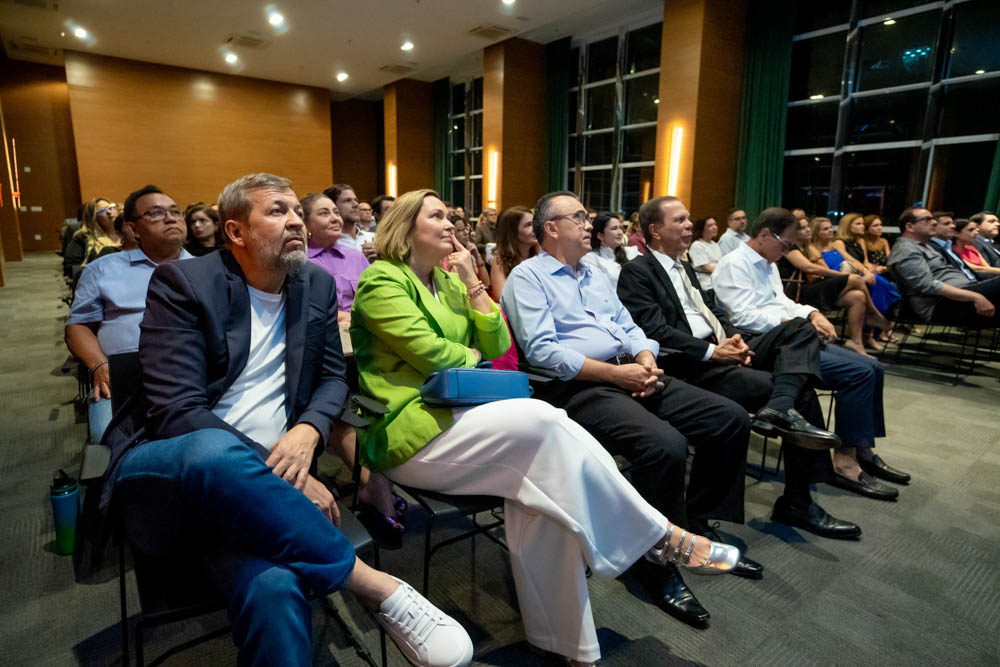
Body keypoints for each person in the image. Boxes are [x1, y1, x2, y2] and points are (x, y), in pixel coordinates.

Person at [351, 188, 739, 665]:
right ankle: (658, 534)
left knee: (546, 499)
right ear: (406, 227)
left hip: (465, 415)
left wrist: (473, 284)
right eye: (436, 216)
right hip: (411, 432)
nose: (451, 223)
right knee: (546, 419)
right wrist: (472, 354)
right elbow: (434, 356)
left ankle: (574, 649)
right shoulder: (381, 280)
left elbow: (497, 343)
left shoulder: (451, 282)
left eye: (449, 216)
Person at [99, 174, 474, 667]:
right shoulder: (185, 283)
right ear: (235, 232)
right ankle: (375, 586)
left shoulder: (313, 284)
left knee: (274, 589)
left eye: (297, 210)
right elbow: (177, 411)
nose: (296, 220)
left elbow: (333, 379)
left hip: (265, 490)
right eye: (277, 211)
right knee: (213, 449)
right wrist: (282, 477)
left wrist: (309, 429)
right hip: (180, 472)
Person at [501, 190, 755, 629]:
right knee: (666, 447)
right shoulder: (528, 277)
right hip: (580, 386)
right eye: (579, 217)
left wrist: (646, 358)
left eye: (588, 217)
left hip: (633, 370)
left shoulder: (596, 273)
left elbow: (629, 325)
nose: (589, 224)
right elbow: (543, 352)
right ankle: (656, 561)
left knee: (728, 419)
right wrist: (617, 375)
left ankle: (692, 522)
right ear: (551, 228)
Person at [617, 196, 858, 538]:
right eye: (680, 220)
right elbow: (654, 330)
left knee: (801, 328)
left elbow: (710, 311)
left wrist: (732, 339)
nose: (689, 225)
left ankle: (783, 423)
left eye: (689, 218)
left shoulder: (683, 267)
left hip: (717, 353)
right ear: (655, 231)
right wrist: (713, 351)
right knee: (799, 392)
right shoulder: (638, 271)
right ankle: (795, 497)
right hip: (687, 365)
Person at [713, 208, 910, 500]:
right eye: (786, 244)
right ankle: (845, 462)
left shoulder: (767, 263)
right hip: (763, 344)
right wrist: (798, 325)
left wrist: (813, 314)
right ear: (765, 234)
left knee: (873, 368)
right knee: (858, 374)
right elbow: (743, 317)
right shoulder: (734, 263)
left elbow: (783, 303)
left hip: (792, 337)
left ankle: (861, 448)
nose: (787, 251)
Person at [65, 185, 193, 447]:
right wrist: (99, 365)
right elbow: (78, 326)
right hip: (126, 379)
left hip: (193, 375)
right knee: (109, 437)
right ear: (133, 229)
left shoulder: (211, 269)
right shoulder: (103, 269)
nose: (171, 219)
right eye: (156, 213)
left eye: (175, 212)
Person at [783, 217, 891, 355]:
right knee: (856, 279)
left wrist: (856, 271)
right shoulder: (789, 247)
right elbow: (809, 268)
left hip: (816, 286)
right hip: (799, 292)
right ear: (793, 231)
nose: (808, 230)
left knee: (857, 296)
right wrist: (840, 275)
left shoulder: (808, 246)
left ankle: (856, 342)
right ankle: (873, 313)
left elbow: (823, 267)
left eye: (807, 226)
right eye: (802, 228)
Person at [888, 207, 1000, 326]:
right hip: (940, 304)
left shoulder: (923, 246)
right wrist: (976, 296)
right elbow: (926, 285)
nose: (934, 222)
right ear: (910, 226)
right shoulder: (906, 249)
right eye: (927, 219)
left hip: (963, 292)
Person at [302, 193, 368, 326]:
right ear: (305, 223)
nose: (335, 219)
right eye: (324, 213)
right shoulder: (300, 261)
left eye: (336, 213)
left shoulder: (357, 257)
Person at [579, 212, 639, 289]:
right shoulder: (590, 259)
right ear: (600, 235)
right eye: (614, 228)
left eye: (620, 228)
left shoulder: (632, 252)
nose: (620, 232)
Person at [490, 205, 537, 300]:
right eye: (528, 225)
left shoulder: (540, 255)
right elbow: (502, 298)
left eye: (534, 224)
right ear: (513, 232)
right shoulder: (501, 261)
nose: (535, 229)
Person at [64, 197, 120, 278]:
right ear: (93, 218)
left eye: (111, 207)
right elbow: (69, 267)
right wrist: (90, 268)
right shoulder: (83, 237)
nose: (109, 212)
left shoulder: (128, 233)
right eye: (102, 210)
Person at [323, 184, 375, 258]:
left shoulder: (373, 238)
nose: (356, 205)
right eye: (347, 201)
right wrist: (362, 260)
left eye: (356, 200)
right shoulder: (327, 245)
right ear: (333, 206)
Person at [929, 211, 978, 282]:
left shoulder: (948, 247)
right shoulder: (930, 247)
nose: (953, 226)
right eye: (946, 224)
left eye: (952, 223)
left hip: (974, 281)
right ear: (933, 227)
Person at [451, 216, 491, 290]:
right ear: (451, 234)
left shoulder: (470, 251)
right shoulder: (451, 258)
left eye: (466, 228)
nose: (466, 233)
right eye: (460, 230)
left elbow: (487, 283)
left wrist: (477, 256)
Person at [687, 216, 722, 292]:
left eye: (715, 224)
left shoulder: (715, 244)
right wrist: (723, 271)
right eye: (710, 225)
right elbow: (705, 267)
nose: (714, 227)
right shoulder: (697, 245)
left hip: (718, 282)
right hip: (707, 285)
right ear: (702, 229)